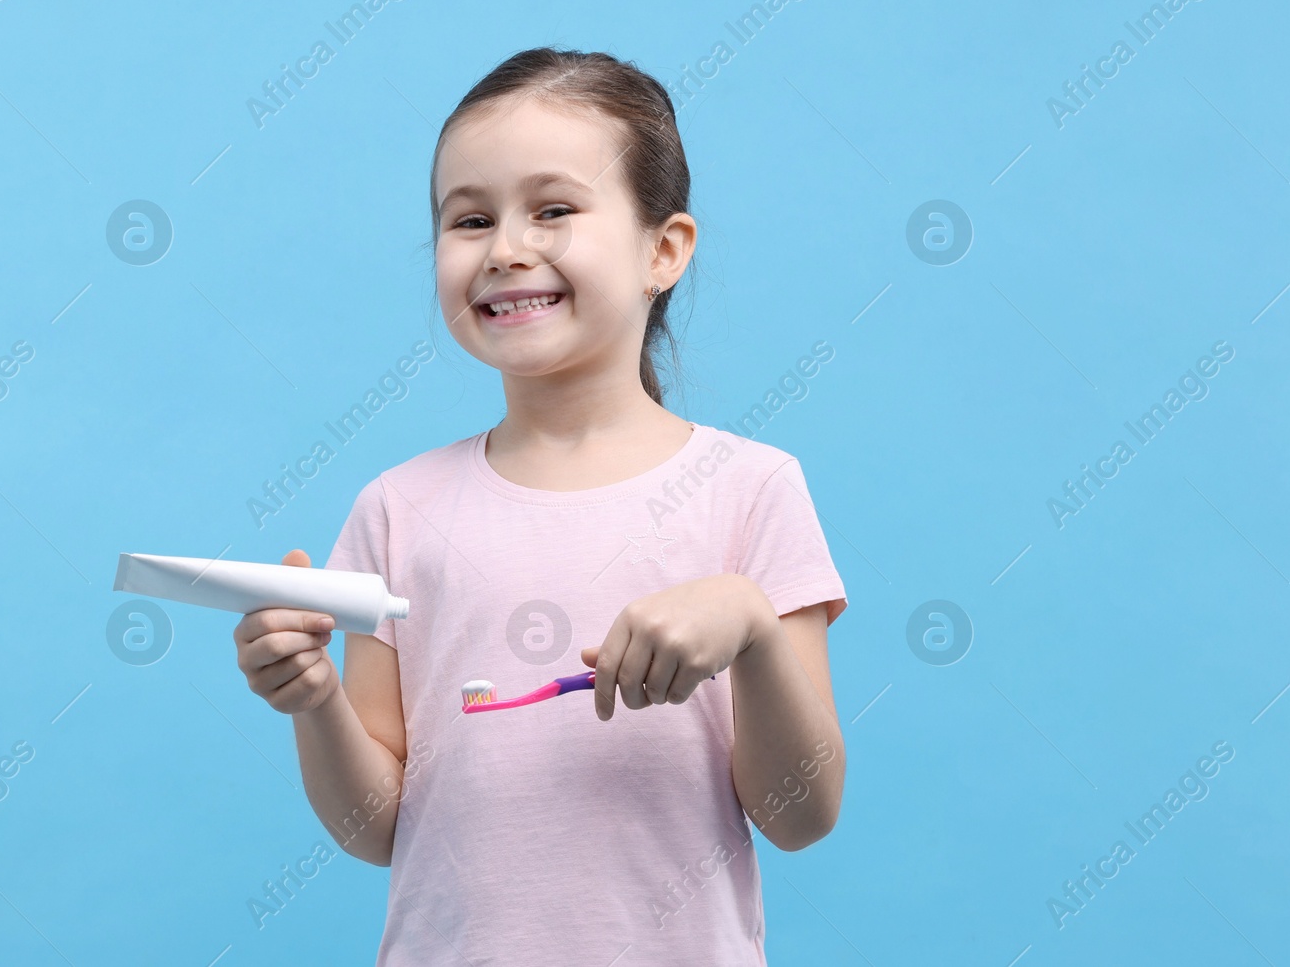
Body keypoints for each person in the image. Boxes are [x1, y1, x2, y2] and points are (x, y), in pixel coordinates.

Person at [231, 47, 849, 965]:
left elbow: (799, 816)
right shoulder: (398, 509)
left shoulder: (752, 490)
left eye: (554, 209)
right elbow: (376, 829)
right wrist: (313, 698)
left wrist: (752, 627)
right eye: (469, 218)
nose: (506, 248)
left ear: (663, 249)